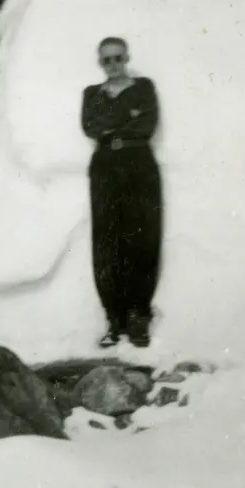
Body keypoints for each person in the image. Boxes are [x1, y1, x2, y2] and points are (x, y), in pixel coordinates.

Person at [80, 37, 163, 348]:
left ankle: (139, 317)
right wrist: (128, 117)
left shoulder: (144, 88)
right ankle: (114, 319)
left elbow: (147, 125)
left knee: (142, 237)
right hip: (104, 167)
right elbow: (89, 126)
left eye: (118, 58)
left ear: (127, 57)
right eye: (106, 61)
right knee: (107, 240)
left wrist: (113, 126)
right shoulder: (91, 94)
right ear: (100, 63)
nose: (113, 65)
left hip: (139, 164)